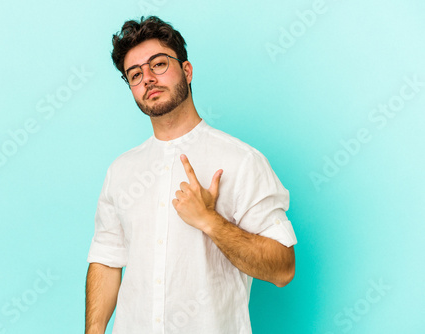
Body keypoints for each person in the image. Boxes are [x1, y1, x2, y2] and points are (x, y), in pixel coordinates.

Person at [85, 16, 297, 334]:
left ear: (186, 70)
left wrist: (209, 221)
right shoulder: (121, 171)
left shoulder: (241, 160)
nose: (147, 79)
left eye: (158, 64)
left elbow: (283, 268)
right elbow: (106, 258)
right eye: (135, 74)